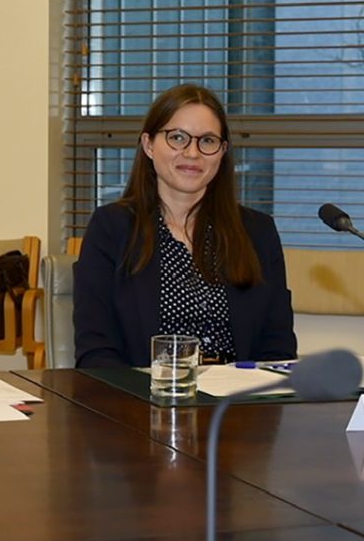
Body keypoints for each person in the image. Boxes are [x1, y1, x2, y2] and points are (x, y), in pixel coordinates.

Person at [73, 83, 297, 368]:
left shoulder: (257, 231)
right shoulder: (111, 228)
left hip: (238, 403)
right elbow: (96, 352)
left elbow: (278, 348)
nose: (192, 153)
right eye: (177, 137)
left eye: (207, 141)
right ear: (149, 145)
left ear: (222, 152)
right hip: (143, 400)